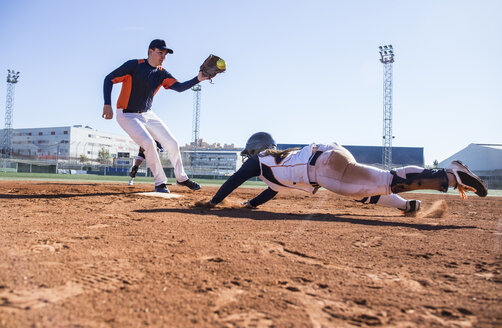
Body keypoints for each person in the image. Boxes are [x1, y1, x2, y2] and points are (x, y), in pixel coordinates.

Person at [203, 132, 487, 210]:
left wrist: (213, 202)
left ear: (255, 149)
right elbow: (270, 192)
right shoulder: (277, 166)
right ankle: (406, 206)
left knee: (385, 180)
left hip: (324, 168)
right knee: (366, 190)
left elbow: (234, 179)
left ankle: (450, 174)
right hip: (327, 159)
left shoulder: (260, 161)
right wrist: (251, 204)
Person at [102, 39, 208, 193]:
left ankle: (181, 178)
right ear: (150, 51)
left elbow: (178, 87)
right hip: (127, 115)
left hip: (147, 114)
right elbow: (108, 79)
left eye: (165, 54)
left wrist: (197, 79)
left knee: (172, 142)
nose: (163, 57)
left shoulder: (161, 73)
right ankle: (160, 182)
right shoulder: (134, 65)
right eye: (160, 52)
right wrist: (107, 104)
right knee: (149, 143)